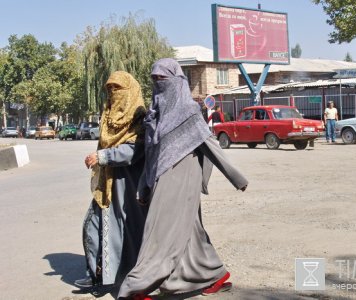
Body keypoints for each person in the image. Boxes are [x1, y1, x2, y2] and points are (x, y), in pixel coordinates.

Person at [118, 58, 248, 300]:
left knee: (159, 230)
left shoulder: (188, 111)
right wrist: (144, 187)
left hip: (184, 173)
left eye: (163, 79)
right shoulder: (155, 114)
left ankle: (138, 287)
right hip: (162, 176)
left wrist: (236, 177)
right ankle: (214, 273)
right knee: (190, 231)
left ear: (177, 81)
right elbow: (151, 156)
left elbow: (210, 145)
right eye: (154, 79)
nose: (158, 83)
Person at [75, 71, 149, 289]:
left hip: (129, 186)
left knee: (126, 233)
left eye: (117, 89)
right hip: (106, 183)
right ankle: (95, 274)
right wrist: (100, 158)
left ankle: (131, 278)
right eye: (109, 89)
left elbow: (136, 150)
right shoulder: (107, 115)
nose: (112, 93)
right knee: (92, 226)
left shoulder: (140, 117)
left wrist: (103, 156)